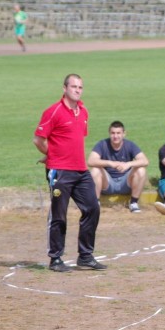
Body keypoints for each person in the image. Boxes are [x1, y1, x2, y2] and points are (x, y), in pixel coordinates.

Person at [33, 73, 106, 273]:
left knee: (93, 208)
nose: (77, 90)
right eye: (73, 86)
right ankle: (55, 258)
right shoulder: (53, 111)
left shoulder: (83, 112)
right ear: (64, 88)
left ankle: (85, 256)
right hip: (60, 172)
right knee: (59, 215)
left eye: (80, 87)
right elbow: (38, 139)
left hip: (81, 170)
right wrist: (51, 155)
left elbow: (76, 139)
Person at [87, 120, 149, 213]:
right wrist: (109, 163)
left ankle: (133, 203)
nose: (115, 136)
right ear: (109, 133)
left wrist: (128, 164)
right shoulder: (102, 144)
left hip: (126, 182)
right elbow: (90, 161)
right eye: (113, 133)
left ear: (124, 134)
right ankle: (96, 203)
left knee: (141, 170)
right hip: (108, 183)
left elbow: (145, 161)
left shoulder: (130, 145)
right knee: (95, 170)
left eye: (118, 133)